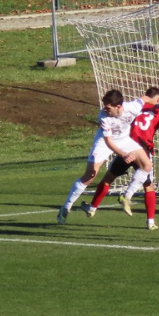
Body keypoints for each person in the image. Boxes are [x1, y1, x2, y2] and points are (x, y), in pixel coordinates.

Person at [80, 88, 159, 230]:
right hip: (141, 150)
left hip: (127, 148)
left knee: (108, 178)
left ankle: (92, 208)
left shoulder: (134, 108)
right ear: (158, 100)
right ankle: (150, 221)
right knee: (148, 186)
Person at [57, 90, 146, 224]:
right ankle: (66, 207)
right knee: (90, 175)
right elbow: (108, 142)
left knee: (147, 165)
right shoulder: (103, 116)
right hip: (104, 142)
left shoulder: (132, 107)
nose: (105, 109)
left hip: (124, 140)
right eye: (104, 106)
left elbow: (146, 98)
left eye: (108, 107)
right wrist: (123, 154)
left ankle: (126, 197)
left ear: (119, 106)